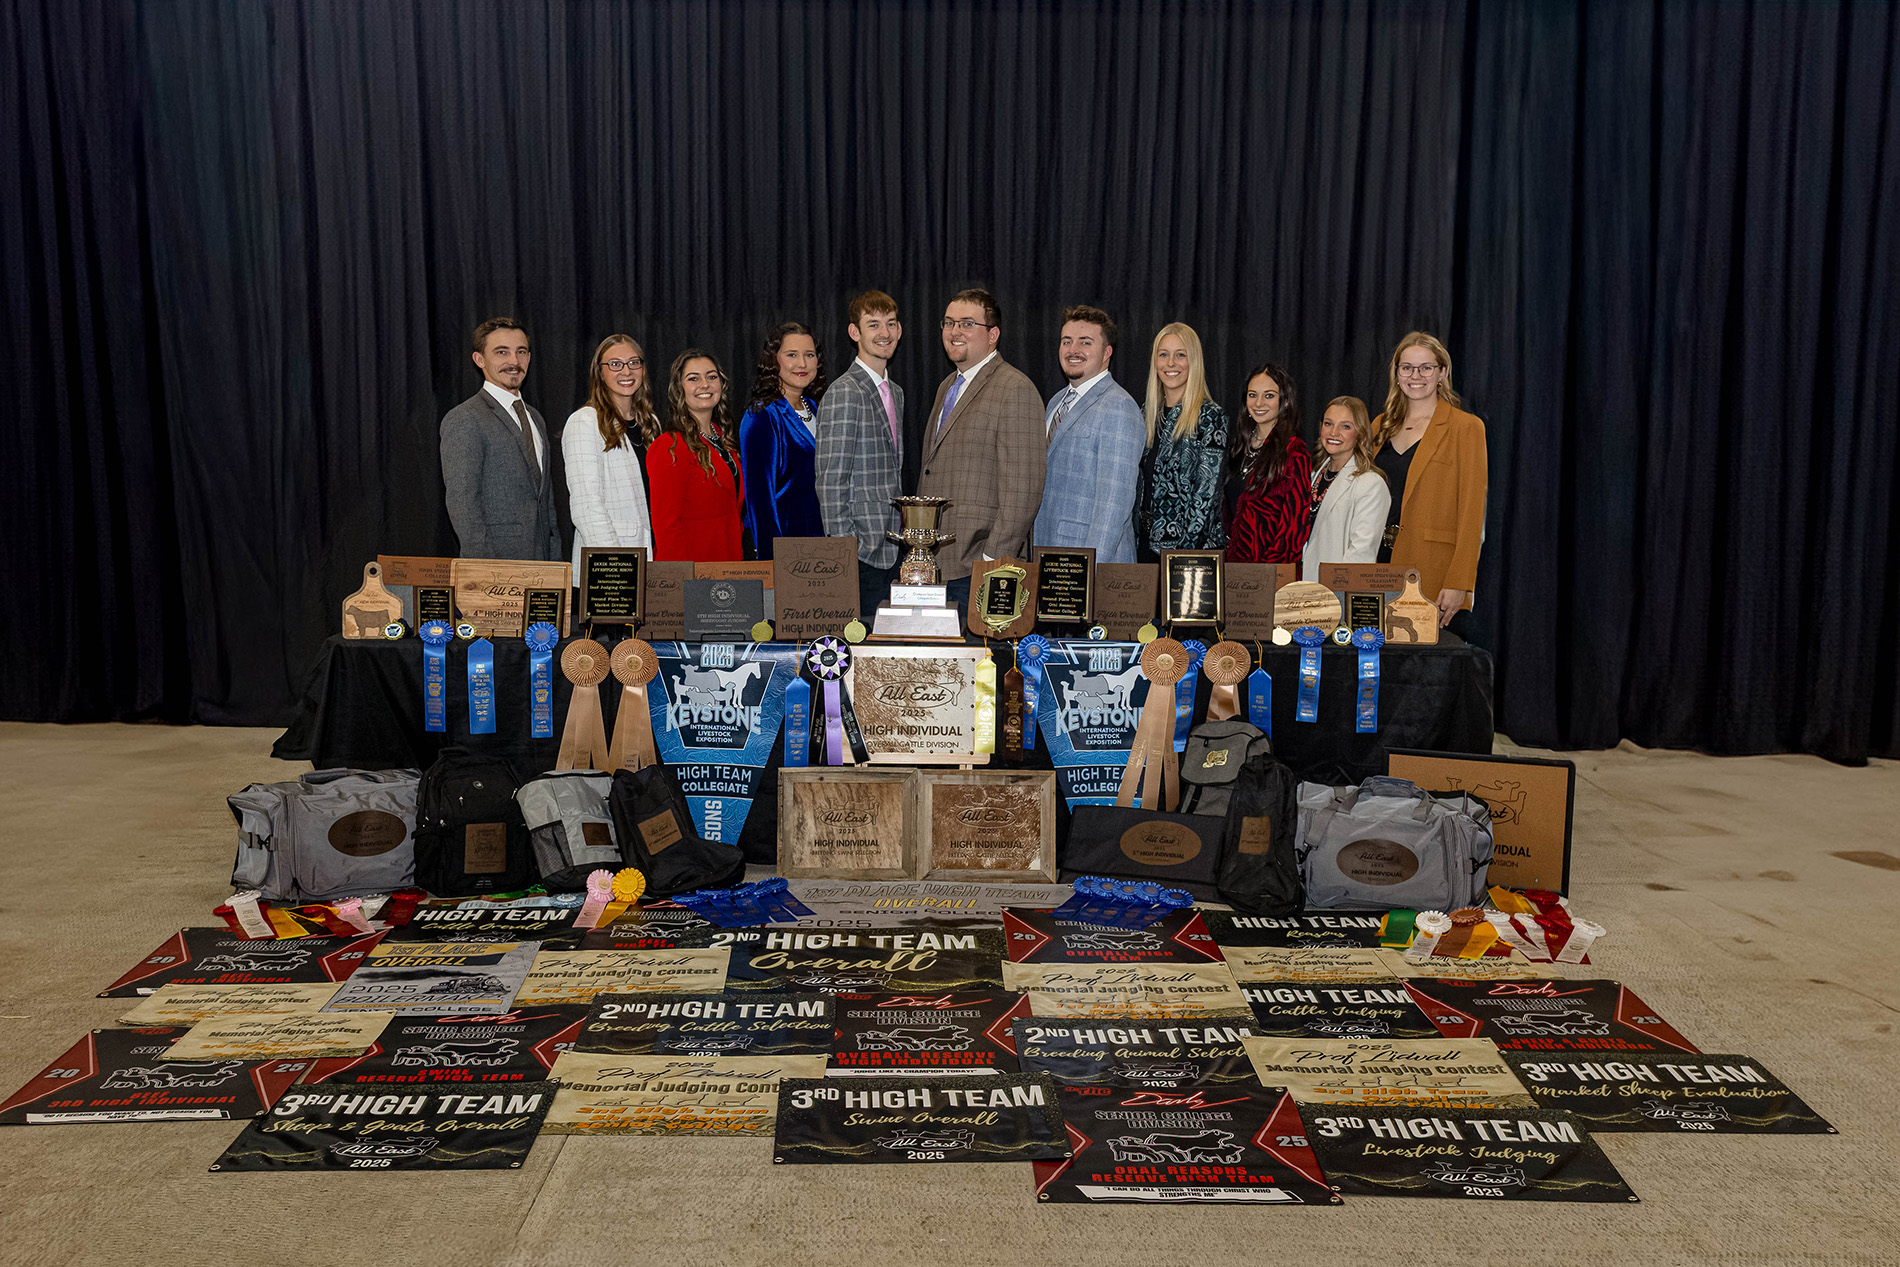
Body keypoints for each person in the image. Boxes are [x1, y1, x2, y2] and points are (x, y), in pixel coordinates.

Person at [915, 288, 1047, 613]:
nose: (955, 331)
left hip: (978, 569)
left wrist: (991, 562)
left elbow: (1024, 491)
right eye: (948, 322)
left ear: (993, 335)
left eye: (967, 323)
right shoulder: (947, 386)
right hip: (937, 565)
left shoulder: (1015, 389)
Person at [1372, 331, 1489, 635]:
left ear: (1442, 373)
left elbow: (1472, 513)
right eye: (1407, 367)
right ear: (1397, 374)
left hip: (1431, 572)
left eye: (1426, 367)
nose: (1416, 375)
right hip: (1373, 566)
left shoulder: (1466, 428)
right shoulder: (1377, 427)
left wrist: (1459, 582)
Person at [815, 291, 907, 617]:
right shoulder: (844, 391)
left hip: (892, 546)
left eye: (890, 324)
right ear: (855, 333)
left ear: (899, 330)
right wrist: (846, 550)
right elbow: (830, 480)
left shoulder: (894, 391)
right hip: (861, 553)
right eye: (873, 325)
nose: (884, 333)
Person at [439, 317, 561, 560]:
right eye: (502, 352)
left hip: (544, 569)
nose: (513, 361)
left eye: (521, 352)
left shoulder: (535, 418)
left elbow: (544, 501)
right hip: (496, 571)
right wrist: (486, 571)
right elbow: (463, 504)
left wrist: (555, 558)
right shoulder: (465, 418)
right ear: (479, 359)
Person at [1032, 305, 1143, 563]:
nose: (1073, 350)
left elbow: (1114, 504)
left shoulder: (1119, 406)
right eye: (1067, 341)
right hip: (1048, 553)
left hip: (1088, 562)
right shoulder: (1056, 402)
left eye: (1085, 342)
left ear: (1107, 353)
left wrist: (1090, 573)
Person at [563, 334, 658, 574]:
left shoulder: (651, 423)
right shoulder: (584, 421)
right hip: (609, 571)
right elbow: (586, 507)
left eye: (633, 362)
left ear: (643, 369)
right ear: (600, 372)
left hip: (653, 560)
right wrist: (617, 567)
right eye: (615, 364)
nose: (626, 371)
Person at [1135, 322, 1228, 559]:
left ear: (1193, 361)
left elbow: (1206, 499)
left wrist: (1182, 556)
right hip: (1143, 546)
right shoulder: (1145, 414)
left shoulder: (1210, 417)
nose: (1170, 364)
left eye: (1180, 355)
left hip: (1190, 554)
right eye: (1163, 355)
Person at [737, 322, 827, 559]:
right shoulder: (762, 415)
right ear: (774, 360)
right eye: (791, 355)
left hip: (822, 548)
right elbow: (760, 502)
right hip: (785, 553)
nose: (802, 363)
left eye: (809, 355)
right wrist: (773, 561)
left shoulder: (819, 410)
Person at [648, 349, 747, 563]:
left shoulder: (723, 440)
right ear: (679, 389)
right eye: (693, 378)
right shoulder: (669, 447)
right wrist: (682, 579)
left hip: (729, 562)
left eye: (712, 377)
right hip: (692, 571)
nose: (705, 384)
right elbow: (666, 526)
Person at [1224, 363, 1313, 563]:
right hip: (1234, 570)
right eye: (1252, 394)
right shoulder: (1239, 447)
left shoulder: (1295, 453)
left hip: (1269, 575)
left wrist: (1267, 574)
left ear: (1286, 401)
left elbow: (1294, 530)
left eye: (1269, 395)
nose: (1259, 403)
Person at [1302, 396, 1391, 579]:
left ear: (1360, 433)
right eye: (1328, 423)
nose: (1334, 432)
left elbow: (1361, 554)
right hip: (1303, 589)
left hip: (1336, 594)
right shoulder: (1312, 477)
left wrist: (1336, 598)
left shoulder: (1371, 484)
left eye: (1346, 426)